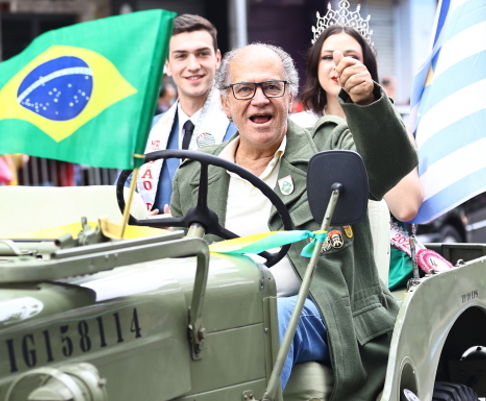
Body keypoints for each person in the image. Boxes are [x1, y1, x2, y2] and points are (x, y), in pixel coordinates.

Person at [170, 40, 416, 400]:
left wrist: (366, 101)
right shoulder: (196, 172)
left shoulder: (328, 145)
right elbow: (181, 259)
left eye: (272, 87)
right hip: (220, 311)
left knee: (272, 315)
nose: (259, 99)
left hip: (321, 312)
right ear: (225, 103)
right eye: (244, 89)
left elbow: (389, 167)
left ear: (289, 98)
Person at [293, 24, 422, 222]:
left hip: (378, 244)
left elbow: (407, 208)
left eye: (352, 58)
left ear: (367, 68)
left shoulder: (392, 128)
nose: (339, 64)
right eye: (328, 57)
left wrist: (371, 122)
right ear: (315, 67)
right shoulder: (296, 127)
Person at [134, 14, 237, 214]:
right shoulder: (147, 131)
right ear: (167, 65)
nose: (193, 66)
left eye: (202, 54)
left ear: (217, 59)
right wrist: (144, 221)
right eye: (181, 56)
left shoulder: (241, 125)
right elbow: (126, 195)